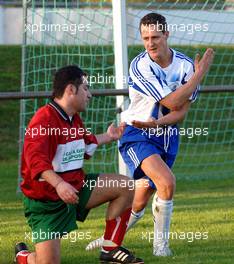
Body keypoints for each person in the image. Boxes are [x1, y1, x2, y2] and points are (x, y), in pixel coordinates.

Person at [85, 12, 214, 256]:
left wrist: (160, 123)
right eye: (145, 38)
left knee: (141, 198)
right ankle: (161, 248)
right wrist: (199, 75)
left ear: (167, 34)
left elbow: (181, 111)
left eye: (155, 36)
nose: (150, 43)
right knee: (167, 182)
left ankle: (107, 240)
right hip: (137, 133)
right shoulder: (141, 65)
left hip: (165, 135)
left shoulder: (185, 65)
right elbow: (172, 99)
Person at [15, 65, 144, 264]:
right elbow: (36, 162)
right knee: (46, 262)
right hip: (46, 202)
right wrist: (59, 184)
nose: (89, 94)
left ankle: (110, 249)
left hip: (76, 188)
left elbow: (84, 144)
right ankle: (24, 257)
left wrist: (109, 137)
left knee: (126, 185)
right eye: (85, 88)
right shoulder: (43, 119)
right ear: (70, 90)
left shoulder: (72, 118)